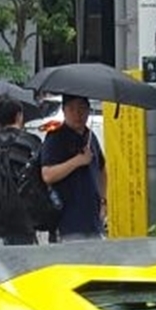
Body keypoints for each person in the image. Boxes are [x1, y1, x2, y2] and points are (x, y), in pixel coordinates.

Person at [40, 94, 107, 241]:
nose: (78, 114)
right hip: (67, 221)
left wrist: (103, 201)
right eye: (72, 109)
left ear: (89, 111)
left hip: (93, 219)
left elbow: (102, 168)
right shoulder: (55, 138)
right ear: (64, 111)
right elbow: (47, 175)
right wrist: (77, 161)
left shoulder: (90, 136)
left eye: (82, 108)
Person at [0, 97, 43, 245]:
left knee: (10, 247)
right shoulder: (30, 141)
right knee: (25, 252)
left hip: (0, 208)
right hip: (25, 208)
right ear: (18, 116)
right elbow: (39, 174)